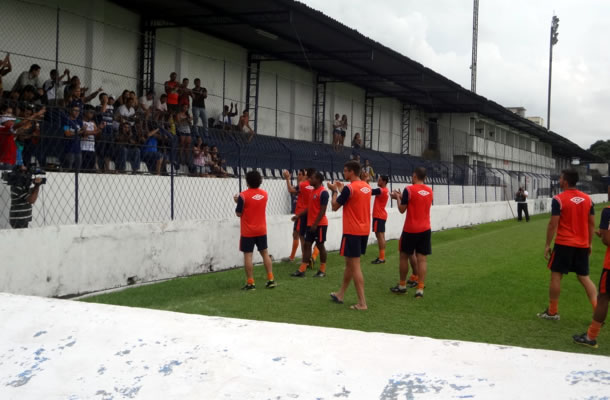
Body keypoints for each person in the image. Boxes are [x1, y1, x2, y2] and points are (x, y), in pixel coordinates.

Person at [538, 169, 597, 320]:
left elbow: (553, 224)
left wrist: (547, 244)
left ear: (565, 181)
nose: (559, 180)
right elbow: (591, 224)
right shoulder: (588, 199)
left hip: (564, 243)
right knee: (584, 277)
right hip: (582, 245)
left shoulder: (559, 199)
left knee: (556, 276)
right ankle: (598, 312)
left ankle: (552, 311)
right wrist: (589, 243)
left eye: (561, 178)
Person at [327, 160, 371, 310]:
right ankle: (341, 294)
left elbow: (334, 207)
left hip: (352, 231)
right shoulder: (366, 187)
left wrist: (333, 191)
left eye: (345, 171)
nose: (343, 173)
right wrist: (341, 189)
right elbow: (354, 200)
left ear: (352, 171)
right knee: (349, 265)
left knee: (355, 266)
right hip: (364, 230)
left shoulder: (350, 189)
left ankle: (362, 303)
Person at [390, 167, 433, 298]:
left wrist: (397, 197)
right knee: (422, 259)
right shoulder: (429, 191)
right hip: (425, 228)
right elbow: (418, 201)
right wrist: (402, 197)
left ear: (414, 176)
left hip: (410, 229)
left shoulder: (409, 189)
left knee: (404, 256)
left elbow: (402, 209)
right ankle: (420, 288)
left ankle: (402, 285)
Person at [573, 205, 610, 348]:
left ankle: (590, 337)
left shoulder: (608, 211)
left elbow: (607, 240)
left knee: (603, 298)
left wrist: (604, 235)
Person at [233, 170, 276, 290]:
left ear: (247, 181)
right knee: (265, 253)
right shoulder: (265, 194)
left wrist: (237, 202)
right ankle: (271, 279)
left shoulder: (243, 195)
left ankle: (251, 282)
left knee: (248, 256)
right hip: (261, 229)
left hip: (248, 231)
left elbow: (238, 213)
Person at [291, 171, 329, 278]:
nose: (310, 180)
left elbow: (323, 210)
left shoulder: (323, 192)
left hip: (320, 225)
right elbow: (309, 208)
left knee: (320, 246)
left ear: (318, 180)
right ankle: (302, 270)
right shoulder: (313, 191)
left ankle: (322, 270)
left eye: (312, 178)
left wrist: (315, 224)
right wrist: (298, 216)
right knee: (307, 245)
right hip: (310, 224)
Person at [283, 168, 317, 264]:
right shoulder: (316, 185)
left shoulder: (302, 185)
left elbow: (290, 190)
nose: (298, 176)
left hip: (301, 214)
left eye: (300, 174)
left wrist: (287, 178)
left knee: (300, 236)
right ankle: (310, 257)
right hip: (313, 214)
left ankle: (305, 259)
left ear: (305, 175)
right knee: (315, 237)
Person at [371, 175, 390, 264]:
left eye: (379, 180)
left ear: (384, 182)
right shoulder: (385, 190)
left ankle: (382, 258)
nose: (378, 181)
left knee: (379, 236)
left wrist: (365, 181)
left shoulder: (381, 190)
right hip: (381, 215)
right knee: (381, 236)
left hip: (378, 216)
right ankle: (382, 256)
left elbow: (369, 191)